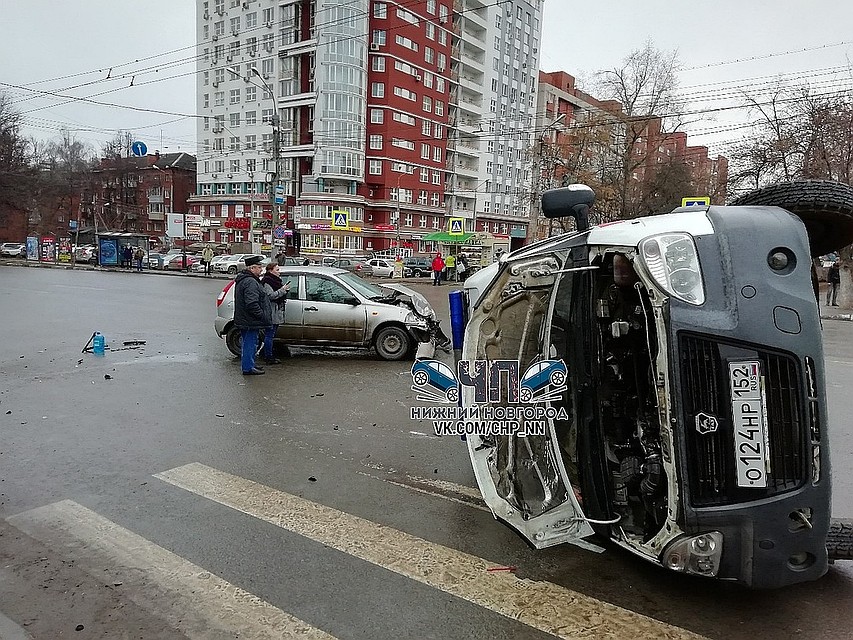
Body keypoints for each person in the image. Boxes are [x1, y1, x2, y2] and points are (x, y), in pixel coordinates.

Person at [233, 255, 272, 375]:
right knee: (250, 344)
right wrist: (262, 315)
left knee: (250, 343)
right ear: (252, 268)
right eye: (259, 267)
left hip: (247, 319)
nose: (261, 270)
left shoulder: (247, 280)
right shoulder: (250, 282)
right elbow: (252, 304)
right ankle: (248, 368)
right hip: (250, 320)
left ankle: (250, 364)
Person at [261, 262, 290, 364]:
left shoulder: (275, 281)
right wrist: (282, 290)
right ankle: (268, 357)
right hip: (271, 312)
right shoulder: (267, 281)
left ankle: (265, 353)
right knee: (269, 335)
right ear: (270, 271)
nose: (279, 272)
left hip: (276, 311)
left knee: (271, 334)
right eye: (277, 270)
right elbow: (270, 296)